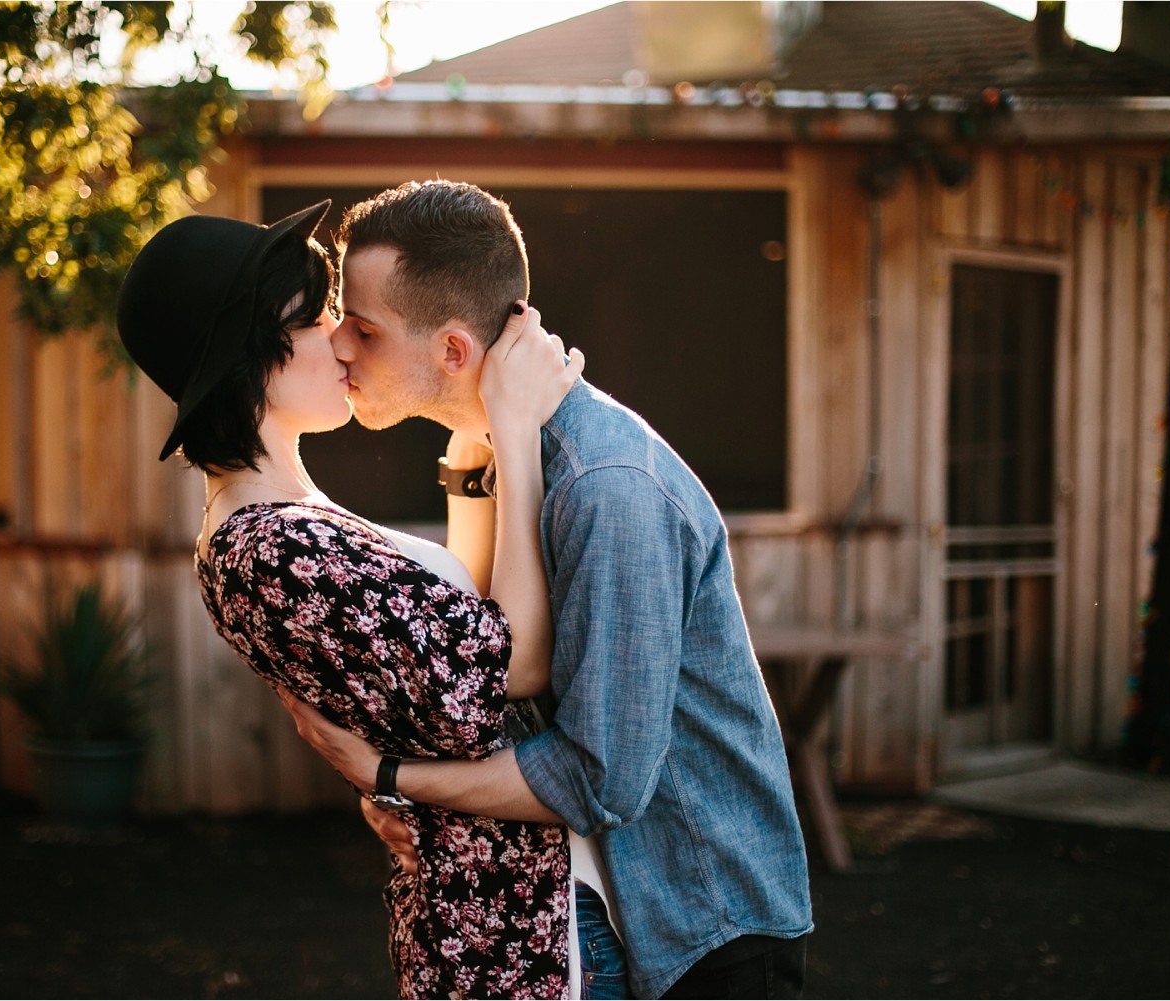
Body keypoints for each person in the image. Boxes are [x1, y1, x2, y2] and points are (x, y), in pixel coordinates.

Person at [282, 179, 814, 1000]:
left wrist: (393, 775)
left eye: (363, 326)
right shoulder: (503, 454)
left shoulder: (607, 487)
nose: (340, 345)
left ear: (454, 352)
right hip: (619, 912)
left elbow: (601, 777)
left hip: (704, 928)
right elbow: (494, 674)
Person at [115, 200, 588, 999]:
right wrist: (513, 428)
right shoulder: (271, 547)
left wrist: (469, 447)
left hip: (511, 911)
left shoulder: (291, 512)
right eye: (319, 317)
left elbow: (461, 617)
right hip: (500, 946)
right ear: (251, 356)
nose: (342, 337)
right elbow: (513, 663)